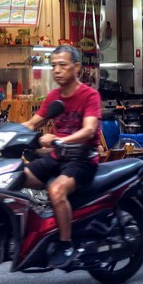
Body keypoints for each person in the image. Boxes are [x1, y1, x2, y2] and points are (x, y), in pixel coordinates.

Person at [16, 45, 101, 269]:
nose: (57, 70)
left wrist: (61, 140)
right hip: (57, 156)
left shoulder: (89, 95)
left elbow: (89, 130)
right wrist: (0, 131)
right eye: (53, 65)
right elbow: (33, 123)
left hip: (82, 159)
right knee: (15, 176)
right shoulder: (54, 97)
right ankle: (35, 230)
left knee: (56, 190)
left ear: (77, 68)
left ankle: (65, 244)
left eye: (63, 65)